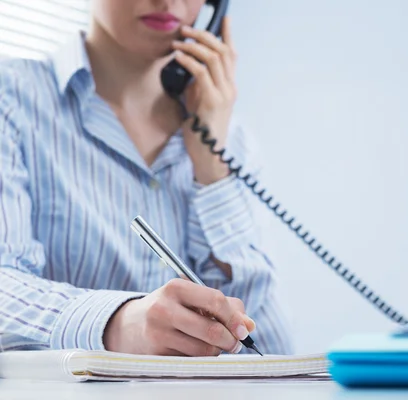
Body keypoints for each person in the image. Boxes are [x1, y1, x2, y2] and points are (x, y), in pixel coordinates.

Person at [0, 0, 293, 356]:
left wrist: (213, 171)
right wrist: (116, 323)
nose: (168, 1)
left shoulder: (230, 139)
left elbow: (270, 351)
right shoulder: (11, 98)